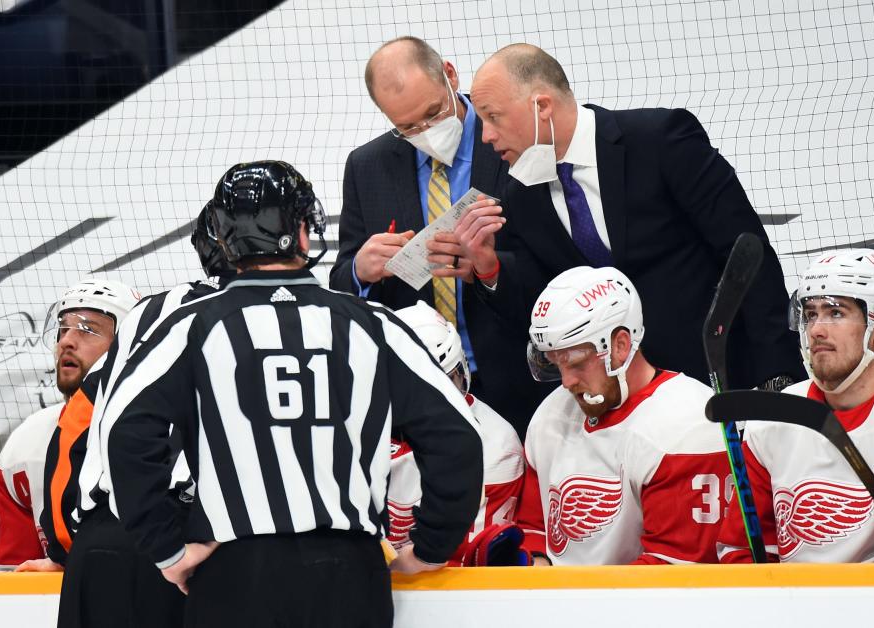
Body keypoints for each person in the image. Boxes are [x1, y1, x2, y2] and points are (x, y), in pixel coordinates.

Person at [101, 161, 484, 628]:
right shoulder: (372, 324)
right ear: (303, 231)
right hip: (349, 574)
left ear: (224, 237)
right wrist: (430, 546)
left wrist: (166, 549)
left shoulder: (191, 327)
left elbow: (121, 433)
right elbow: (458, 436)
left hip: (235, 575)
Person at [463, 43, 803, 391]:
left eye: (493, 117)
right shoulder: (521, 195)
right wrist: (489, 269)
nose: (486, 136)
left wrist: (777, 373)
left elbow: (746, 255)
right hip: (624, 404)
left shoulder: (661, 139)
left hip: (724, 378)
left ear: (543, 106)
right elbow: (542, 303)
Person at [329, 36, 549, 438]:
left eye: (433, 112)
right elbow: (342, 282)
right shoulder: (367, 167)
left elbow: (554, 261)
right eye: (407, 126)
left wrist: (490, 270)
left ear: (449, 74)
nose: (426, 131)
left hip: (523, 380)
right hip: (422, 391)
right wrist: (361, 270)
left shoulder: (511, 136)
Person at [48, 202, 236, 628]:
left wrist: (64, 550)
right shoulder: (281, 320)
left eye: (90, 328)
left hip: (104, 546)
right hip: (200, 544)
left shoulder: (147, 319)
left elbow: (70, 452)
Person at [718, 249, 874, 563]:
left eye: (836, 313)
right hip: (787, 606)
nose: (816, 330)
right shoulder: (772, 418)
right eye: (810, 314)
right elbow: (740, 550)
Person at [516, 266, 731, 565]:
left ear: (620, 346)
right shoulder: (551, 416)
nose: (566, 382)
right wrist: (535, 563)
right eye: (555, 363)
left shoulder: (687, 423)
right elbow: (532, 528)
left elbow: (670, 574)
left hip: (636, 607)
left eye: (577, 362)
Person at [0, 278, 136, 570]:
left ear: (129, 346)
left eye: (88, 329)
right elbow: (15, 578)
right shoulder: (24, 447)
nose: (67, 341)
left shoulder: (168, 435)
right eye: (63, 329)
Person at [391, 301, 526, 566]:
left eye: (445, 384)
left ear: (462, 370)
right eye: (421, 392)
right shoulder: (362, 424)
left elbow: (467, 564)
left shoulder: (495, 447)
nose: (436, 404)